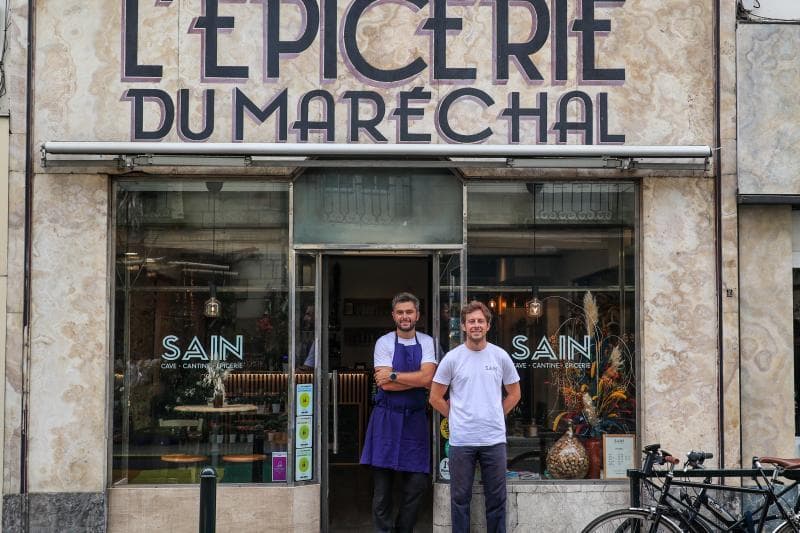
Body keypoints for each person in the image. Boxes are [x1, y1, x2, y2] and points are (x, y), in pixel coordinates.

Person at [429, 301, 521, 533]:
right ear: (463, 326)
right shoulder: (452, 358)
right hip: (462, 441)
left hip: (494, 440)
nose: (476, 325)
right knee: (459, 500)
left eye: (481, 321)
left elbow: (515, 393)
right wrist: (456, 417)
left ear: (488, 325)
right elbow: (435, 397)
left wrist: (495, 414)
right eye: (471, 321)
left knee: (497, 500)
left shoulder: (500, 357)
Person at [360, 292, 437, 533]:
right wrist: (415, 379)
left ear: (417, 315)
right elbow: (384, 385)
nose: (405, 316)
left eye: (409, 312)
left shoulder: (427, 341)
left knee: (416, 484)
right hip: (386, 419)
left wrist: (394, 375)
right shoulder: (383, 342)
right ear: (394, 315)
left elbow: (429, 378)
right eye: (400, 312)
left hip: (415, 419)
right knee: (382, 490)